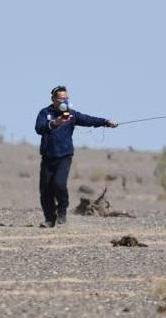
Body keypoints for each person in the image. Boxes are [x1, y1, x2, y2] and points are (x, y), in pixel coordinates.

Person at [34, 85, 117, 228]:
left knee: (59, 184)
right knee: (45, 190)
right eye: (61, 98)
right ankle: (49, 219)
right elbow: (39, 129)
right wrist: (54, 123)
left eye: (67, 98)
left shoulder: (71, 114)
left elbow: (88, 119)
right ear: (53, 99)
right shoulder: (44, 113)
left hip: (64, 156)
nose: (64, 101)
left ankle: (62, 211)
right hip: (48, 157)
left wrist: (106, 122)